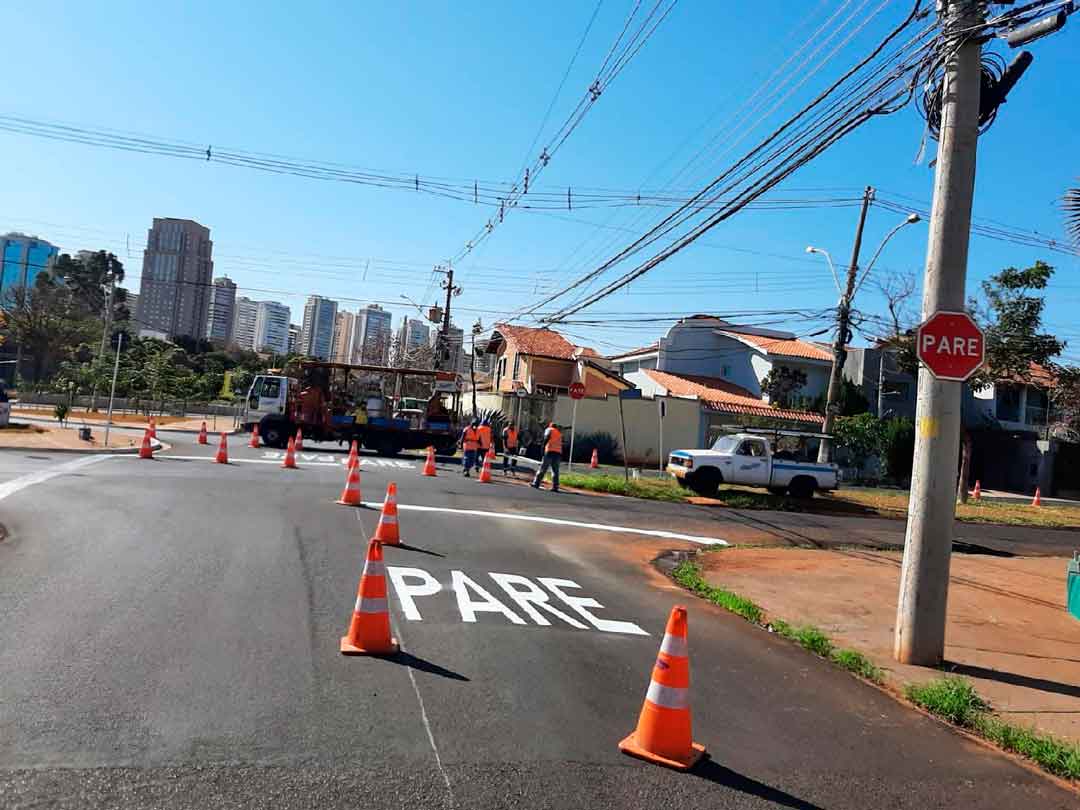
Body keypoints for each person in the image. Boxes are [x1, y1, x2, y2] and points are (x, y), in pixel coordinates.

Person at [531, 421, 563, 493]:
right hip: (558, 453)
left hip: (550, 451)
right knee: (555, 471)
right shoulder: (559, 433)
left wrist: (542, 448)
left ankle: (536, 483)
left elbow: (546, 438)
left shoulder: (549, 429)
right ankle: (555, 487)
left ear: (550, 426)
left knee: (543, 468)